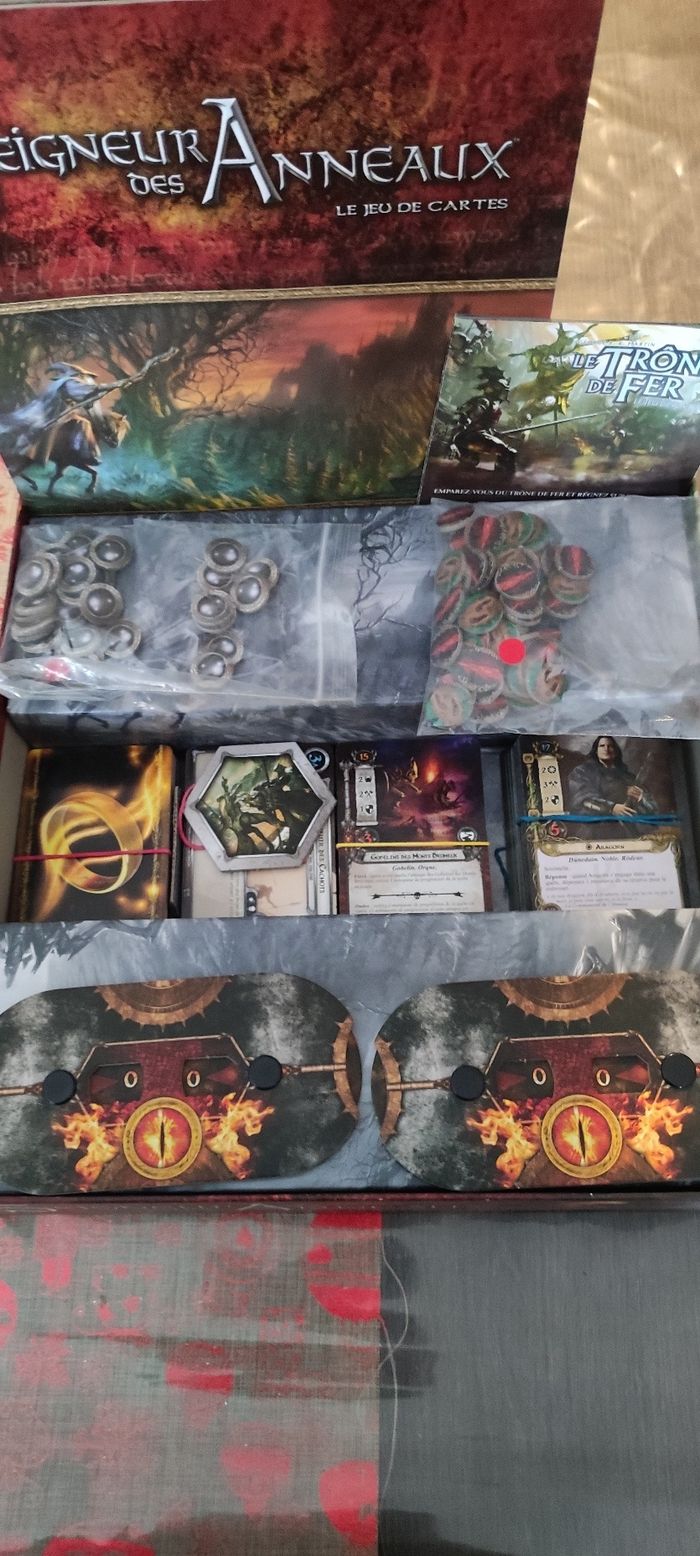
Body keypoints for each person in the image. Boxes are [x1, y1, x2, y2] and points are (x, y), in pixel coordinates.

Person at [567, 736, 656, 817]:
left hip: (626, 825)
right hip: (595, 824)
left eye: (610, 746)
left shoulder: (628, 777)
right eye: (602, 746)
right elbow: (583, 799)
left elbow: (653, 809)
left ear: (616, 751)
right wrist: (612, 807)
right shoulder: (582, 772)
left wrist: (641, 797)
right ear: (596, 751)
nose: (606, 749)